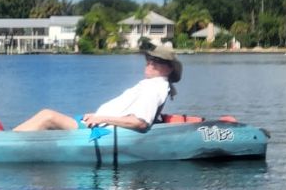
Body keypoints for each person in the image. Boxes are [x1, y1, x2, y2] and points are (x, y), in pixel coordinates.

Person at [13, 45, 182, 132]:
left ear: (169, 69)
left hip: (100, 131)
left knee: (47, 116)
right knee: (46, 118)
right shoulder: (151, 85)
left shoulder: (155, 88)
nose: (150, 63)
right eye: (150, 59)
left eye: (157, 61)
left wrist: (101, 118)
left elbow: (140, 122)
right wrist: (97, 116)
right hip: (97, 125)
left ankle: (3, 142)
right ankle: (8, 138)